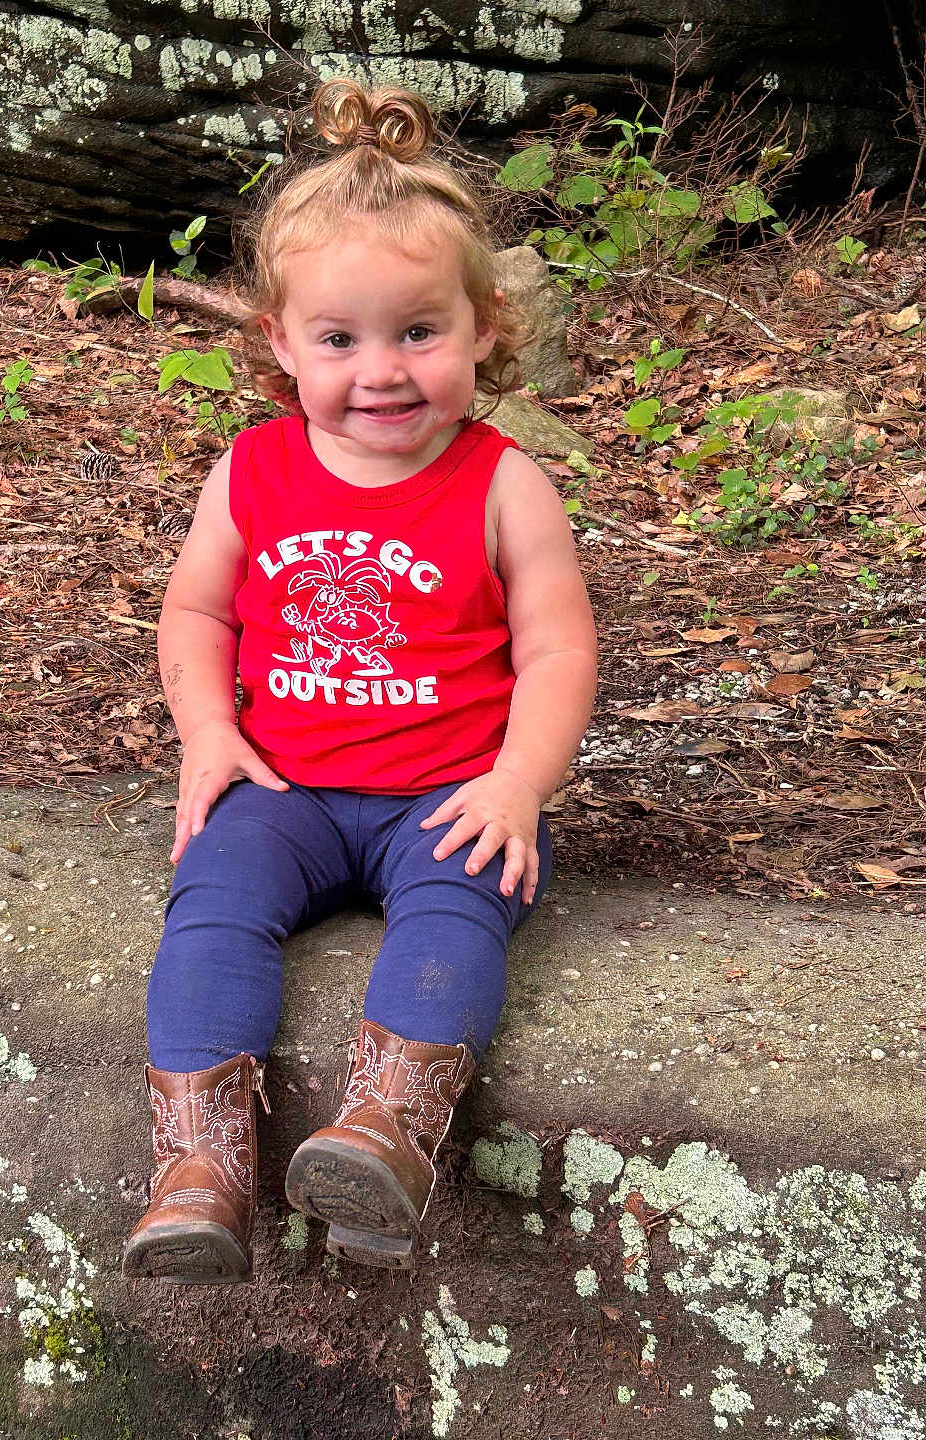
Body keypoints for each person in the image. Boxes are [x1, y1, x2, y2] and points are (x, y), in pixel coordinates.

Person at [121, 77, 597, 1284]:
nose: (380, 371)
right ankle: (199, 1168)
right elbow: (195, 609)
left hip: (447, 794)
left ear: (485, 326)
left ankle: (387, 1128)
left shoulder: (503, 485)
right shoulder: (254, 472)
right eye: (340, 339)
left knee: (454, 912)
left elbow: (556, 651)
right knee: (213, 905)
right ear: (282, 344)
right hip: (284, 787)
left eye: (417, 333)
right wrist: (208, 737)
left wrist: (517, 785)